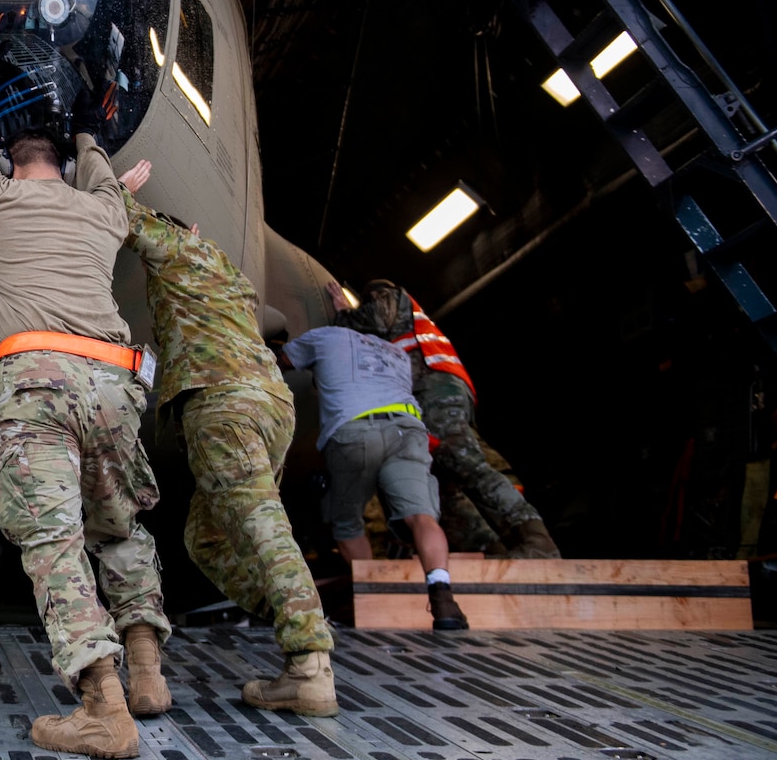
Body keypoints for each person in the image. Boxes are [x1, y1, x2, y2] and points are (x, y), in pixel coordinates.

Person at [0, 7, 167, 760]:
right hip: (112, 380)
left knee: (53, 539)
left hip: (38, 381)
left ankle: (103, 705)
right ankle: (146, 670)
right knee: (120, 523)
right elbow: (105, 183)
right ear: (63, 166)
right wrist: (94, 132)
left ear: (8, 163)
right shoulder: (102, 212)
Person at [118, 160, 338, 716]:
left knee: (264, 530)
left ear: (183, 235)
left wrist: (114, 188)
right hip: (268, 403)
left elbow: (125, 220)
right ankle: (296, 611)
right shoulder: (229, 275)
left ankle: (310, 662)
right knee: (208, 537)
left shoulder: (181, 250)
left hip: (224, 405)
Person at [278, 320, 469, 630]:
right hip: (407, 429)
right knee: (422, 517)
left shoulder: (324, 336)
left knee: (347, 523)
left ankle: (372, 598)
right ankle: (443, 600)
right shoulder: (397, 353)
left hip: (355, 431)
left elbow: (278, 362)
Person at [348, 281, 559, 558]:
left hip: (435, 394)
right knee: (448, 495)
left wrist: (343, 316)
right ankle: (493, 550)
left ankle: (537, 542)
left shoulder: (388, 296)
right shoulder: (411, 323)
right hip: (430, 399)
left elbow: (375, 317)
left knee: (469, 468)